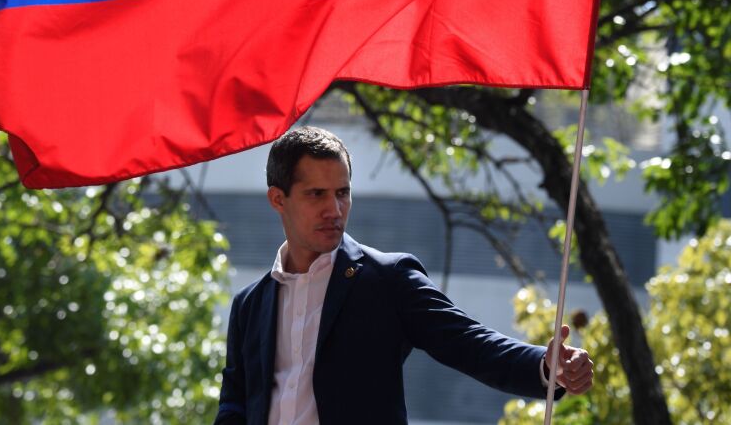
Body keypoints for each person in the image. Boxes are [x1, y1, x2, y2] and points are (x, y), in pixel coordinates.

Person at [214, 126, 593, 425]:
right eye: (316, 194)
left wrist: (545, 366)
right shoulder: (250, 305)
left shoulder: (387, 280)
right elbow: (235, 406)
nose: (334, 208)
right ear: (278, 199)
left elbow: (469, 343)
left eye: (342, 193)